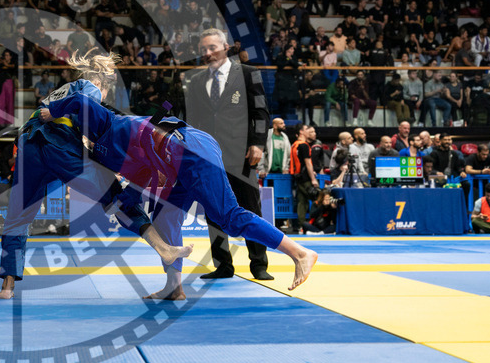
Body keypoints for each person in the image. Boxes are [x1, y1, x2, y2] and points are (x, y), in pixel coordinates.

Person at [40, 93, 318, 294]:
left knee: (229, 217)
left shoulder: (108, 123)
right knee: (163, 219)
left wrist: (52, 111)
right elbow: (143, 173)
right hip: (174, 164)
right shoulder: (102, 152)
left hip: (190, 150)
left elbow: (80, 100)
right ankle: (174, 288)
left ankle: (299, 253)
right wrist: (125, 199)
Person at [0, 49, 154, 300]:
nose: (103, 98)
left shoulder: (58, 92)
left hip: (28, 147)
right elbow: (88, 115)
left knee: (18, 216)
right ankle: (161, 245)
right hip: (58, 147)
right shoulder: (89, 86)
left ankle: (7, 287)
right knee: (111, 192)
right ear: (101, 83)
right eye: (105, 93)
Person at [184, 28, 273, 281]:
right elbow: (194, 119)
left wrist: (258, 143)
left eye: (212, 47)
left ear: (225, 47)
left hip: (242, 153)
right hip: (208, 156)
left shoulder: (247, 74)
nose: (208, 53)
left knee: (251, 208)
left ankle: (259, 263)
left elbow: (260, 112)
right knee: (212, 210)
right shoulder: (196, 81)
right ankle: (223, 265)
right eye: (203, 50)